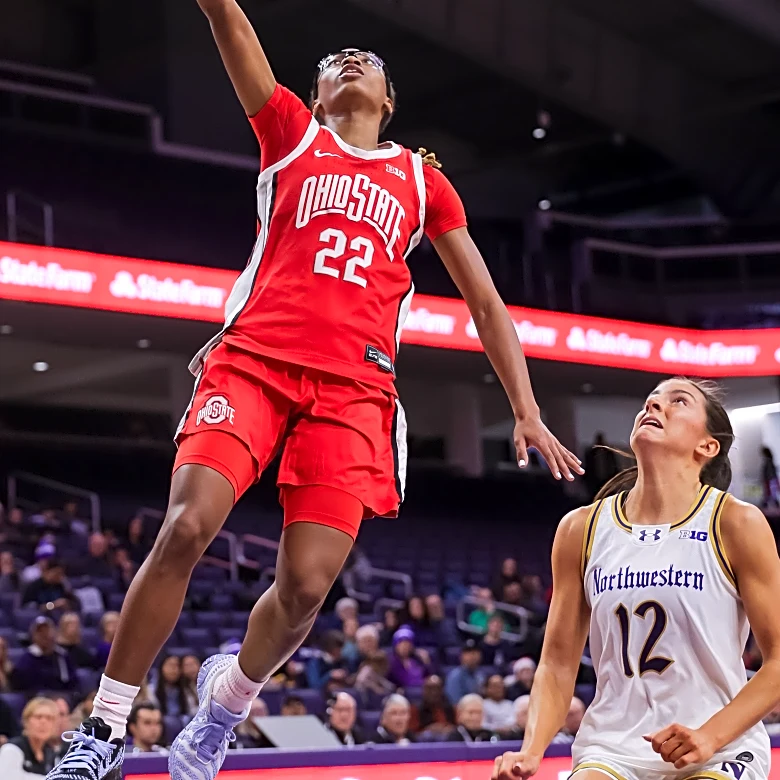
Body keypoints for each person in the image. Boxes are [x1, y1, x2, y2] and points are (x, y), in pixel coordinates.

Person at [49, 2, 582, 778]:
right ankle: (100, 730)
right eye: (338, 60)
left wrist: (526, 410)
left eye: (369, 60)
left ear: (389, 102)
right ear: (319, 92)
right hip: (256, 363)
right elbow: (232, 28)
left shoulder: (421, 178)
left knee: (304, 588)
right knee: (188, 525)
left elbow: (488, 304)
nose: (354, 61)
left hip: (354, 392)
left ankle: (223, 708)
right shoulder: (292, 135)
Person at [492, 378, 780, 780]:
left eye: (677, 401)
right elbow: (558, 664)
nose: (655, 406)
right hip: (612, 746)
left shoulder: (736, 522)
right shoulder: (582, 528)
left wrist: (710, 736)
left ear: (707, 446)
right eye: (651, 400)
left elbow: (778, 661)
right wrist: (531, 751)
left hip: (718, 745)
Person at [12, 617, 78, 694]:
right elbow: (25, 686)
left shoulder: (63, 656)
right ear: (33, 636)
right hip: (40, 699)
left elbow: (72, 681)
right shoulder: (26, 659)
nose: (45, 635)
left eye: (48, 631)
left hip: (65, 696)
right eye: (40, 632)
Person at [0, 698, 58, 778]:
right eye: (38, 717)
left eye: (49, 718)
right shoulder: (12, 749)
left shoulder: (52, 754)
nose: (43, 722)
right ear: (26, 721)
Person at [444, 640, 483, 705]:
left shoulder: (481, 675)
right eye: (468, 653)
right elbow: (455, 703)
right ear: (461, 656)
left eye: (475, 652)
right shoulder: (455, 676)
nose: (472, 656)